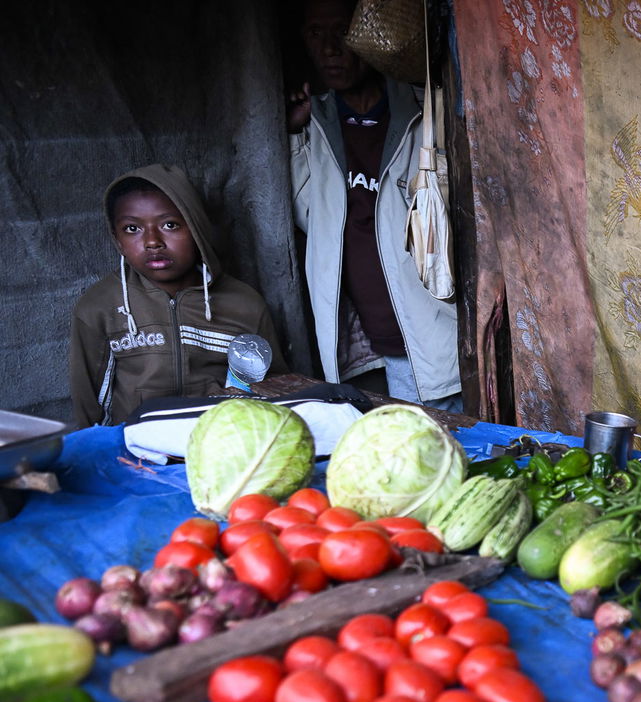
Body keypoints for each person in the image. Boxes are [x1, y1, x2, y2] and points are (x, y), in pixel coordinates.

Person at [287, 0, 463, 411]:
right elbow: (309, 218)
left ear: (370, 36)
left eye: (343, 32)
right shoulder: (318, 122)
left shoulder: (426, 113)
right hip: (364, 343)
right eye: (316, 33)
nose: (330, 48)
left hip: (429, 342)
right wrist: (295, 135)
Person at [69, 165, 288, 428]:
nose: (152, 241)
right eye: (132, 229)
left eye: (170, 225)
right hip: (138, 450)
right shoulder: (99, 306)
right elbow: (89, 407)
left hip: (221, 445)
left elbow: (273, 387)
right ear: (116, 239)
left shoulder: (244, 304)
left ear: (197, 229)